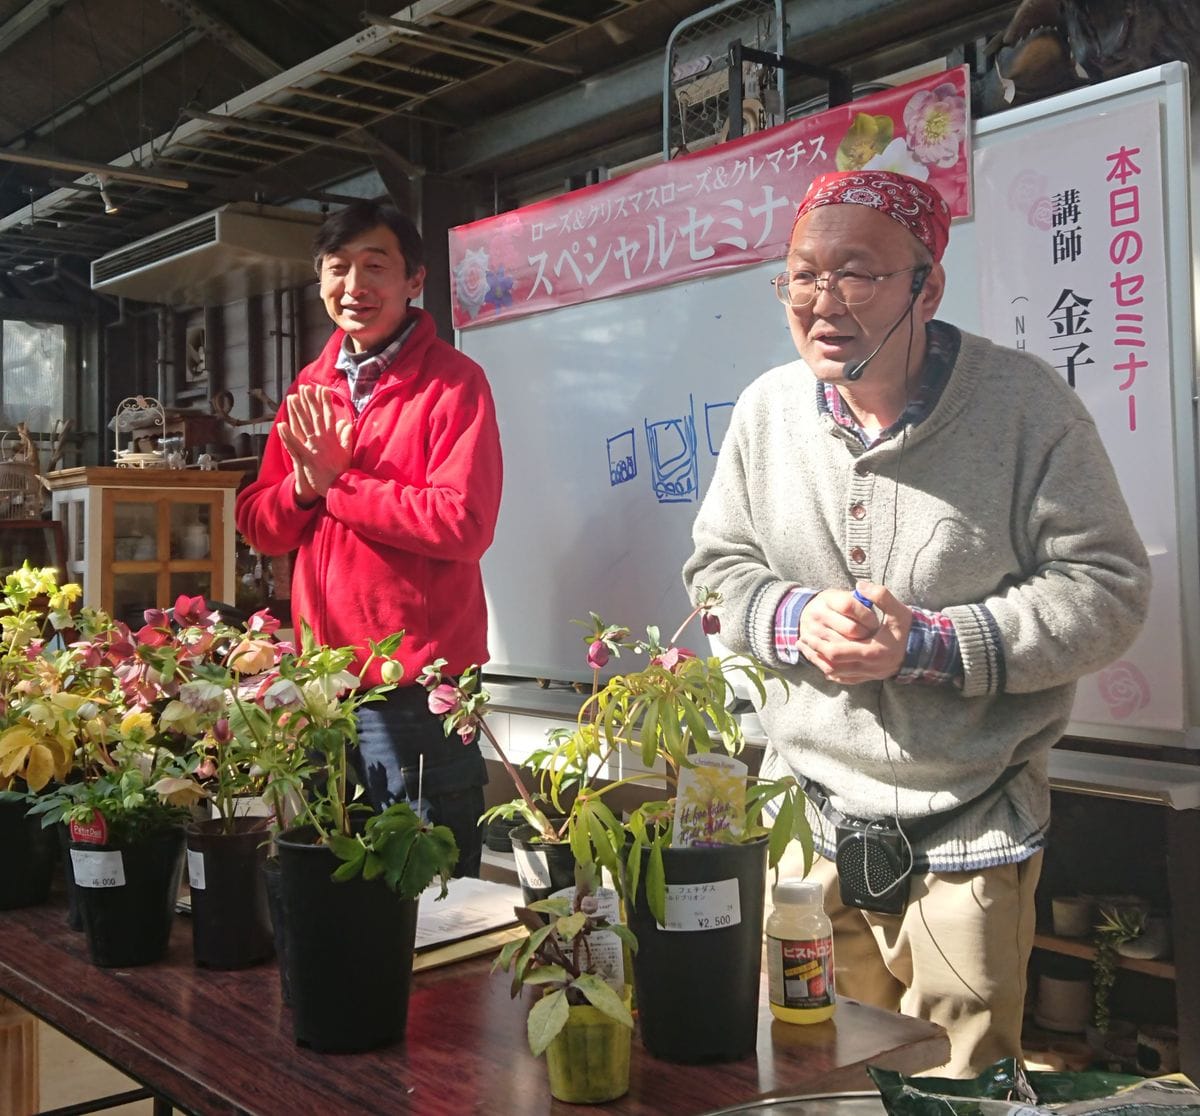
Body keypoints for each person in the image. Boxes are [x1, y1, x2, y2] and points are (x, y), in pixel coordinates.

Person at [683, 170, 1150, 1075]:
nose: (823, 301)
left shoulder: (1026, 409)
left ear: (926, 286)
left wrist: (928, 645)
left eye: (855, 273)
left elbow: (1109, 590)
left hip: (970, 823)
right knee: (818, 1065)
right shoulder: (766, 413)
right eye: (801, 276)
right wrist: (790, 617)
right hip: (806, 820)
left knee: (959, 1074)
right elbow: (714, 570)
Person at [237, 197, 502, 877]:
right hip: (323, 685)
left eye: (374, 266)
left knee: (431, 890)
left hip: (418, 685)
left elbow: (463, 524)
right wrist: (301, 488)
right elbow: (261, 525)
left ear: (414, 280)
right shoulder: (309, 387)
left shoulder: (454, 384)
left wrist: (337, 484)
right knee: (336, 876)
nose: (354, 286)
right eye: (337, 268)